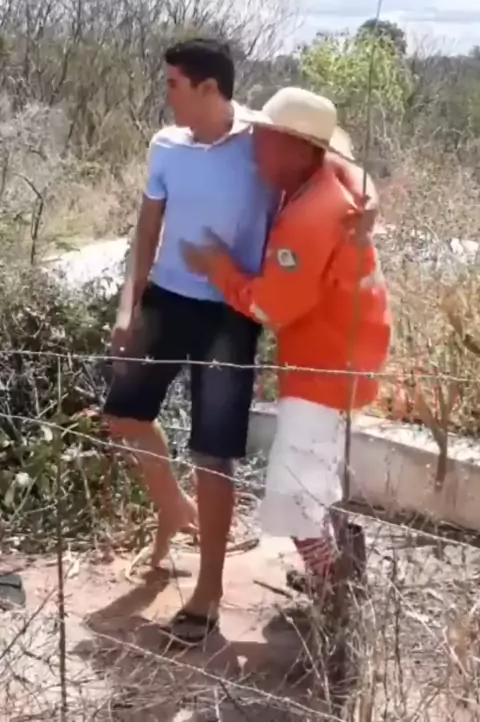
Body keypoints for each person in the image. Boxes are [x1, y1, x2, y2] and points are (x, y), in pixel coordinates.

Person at [104, 39, 379, 646]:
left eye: (173, 84)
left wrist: (372, 200)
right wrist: (129, 304)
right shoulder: (165, 145)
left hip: (231, 313)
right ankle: (174, 510)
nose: (166, 95)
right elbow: (147, 228)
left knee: (214, 450)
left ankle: (207, 592)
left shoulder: (262, 136)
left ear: (209, 88)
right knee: (122, 414)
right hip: (165, 300)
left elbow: (336, 165)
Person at [181, 87, 391, 601]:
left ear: (298, 148)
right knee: (314, 476)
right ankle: (339, 573)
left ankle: (335, 595)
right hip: (340, 358)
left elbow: (270, 307)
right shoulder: (320, 183)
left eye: (266, 135)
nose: (254, 142)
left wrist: (217, 268)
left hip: (325, 368)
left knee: (293, 493)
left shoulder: (312, 215)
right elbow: (347, 165)